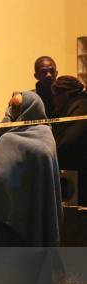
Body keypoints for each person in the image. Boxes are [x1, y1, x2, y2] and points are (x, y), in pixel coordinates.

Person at [0, 91, 63, 284]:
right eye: (11, 108)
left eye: (15, 108)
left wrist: (5, 127)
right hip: (20, 211)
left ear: (29, 109)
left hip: (23, 212)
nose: (13, 112)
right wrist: (8, 121)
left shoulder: (26, 137)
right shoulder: (29, 135)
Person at [52, 75, 87, 205]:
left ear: (65, 95)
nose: (54, 101)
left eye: (56, 96)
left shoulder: (81, 108)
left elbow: (70, 141)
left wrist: (52, 151)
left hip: (79, 174)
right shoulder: (73, 108)